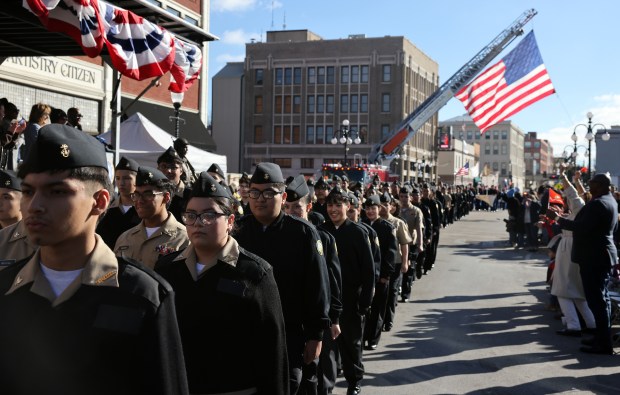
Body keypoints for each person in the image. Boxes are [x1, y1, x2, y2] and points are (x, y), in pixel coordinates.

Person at [0, 124, 188, 394]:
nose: (35, 205)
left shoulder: (143, 295)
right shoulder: (6, 289)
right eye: (29, 191)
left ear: (99, 201)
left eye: (57, 191)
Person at [155, 172, 288, 394]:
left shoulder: (254, 272)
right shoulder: (168, 268)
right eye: (191, 215)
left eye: (208, 215)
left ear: (230, 221)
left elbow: (272, 351)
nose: (198, 223)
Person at [233, 162, 330, 395]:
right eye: (254, 192)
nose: (260, 199)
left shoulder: (303, 233)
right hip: (245, 331)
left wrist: (316, 335)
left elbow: (317, 286)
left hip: (289, 332)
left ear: (283, 196)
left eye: (268, 192)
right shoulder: (238, 232)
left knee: (288, 385)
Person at [283, 175, 342, 395]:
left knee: (313, 374)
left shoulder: (323, 239)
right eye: (286, 206)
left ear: (308, 206)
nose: (290, 212)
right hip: (289, 321)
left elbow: (332, 283)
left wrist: (334, 318)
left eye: (296, 207)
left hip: (314, 321)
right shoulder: (277, 237)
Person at [548, 173, 619, 355]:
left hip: (594, 257)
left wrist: (557, 219)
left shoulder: (598, 204)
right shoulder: (609, 200)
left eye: (592, 183)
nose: (589, 185)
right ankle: (601, 339)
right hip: (600, 255)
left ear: (602, 185)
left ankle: (603, 343)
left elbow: (581, 227)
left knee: (597, 301)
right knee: (599, 300)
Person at [320, 187, 375, 395]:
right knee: (328, 347)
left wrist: (365, 301)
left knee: (352, 343)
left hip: (351, 299)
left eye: (338, 205)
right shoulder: (320, 231)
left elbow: (369, 272)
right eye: (330, 205)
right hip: (327, 298)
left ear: (348, 206)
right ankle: (327, 384)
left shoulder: (358, 233)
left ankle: (354, 381)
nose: (333, 209)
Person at [549, 168, 596, 337]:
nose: (569, 199)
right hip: (572, 247)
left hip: (569, 249)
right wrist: (575, 180)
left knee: (562, 289)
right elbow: (575, 193)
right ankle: (591, 323)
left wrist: (563, 177)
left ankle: (573, 325)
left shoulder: (580, 207)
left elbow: (573, 194)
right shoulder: (582, 209)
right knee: (577, 292)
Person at [114, 166, 190, 269]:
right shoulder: (125, 238)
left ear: (166, 198)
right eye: (136, 195)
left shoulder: (184, 239)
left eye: (148, 194)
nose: (140, 200)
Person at [362, 194, 397, 350]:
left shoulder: (387, 227)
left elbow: (390, 254)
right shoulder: (360, 225)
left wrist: (385, 275)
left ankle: (373, 338)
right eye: (368, 208)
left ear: (379, 209)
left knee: (378, 308)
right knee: (364, 308)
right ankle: (363, 337)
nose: (370, 211)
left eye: (373, 208)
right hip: (364, 276)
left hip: (380, 276)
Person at [96, 156, 141, 248]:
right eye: (118, 178)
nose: (121, 183)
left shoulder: (143, 208)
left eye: (127, 178)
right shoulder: (106, 208)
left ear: (137, 180)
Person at [157, 146, 191, 223]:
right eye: (164, 166)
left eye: (173, 167)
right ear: (158, 169)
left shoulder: (191, 195)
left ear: (181, 171)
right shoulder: (153, 193)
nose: (168, 171)